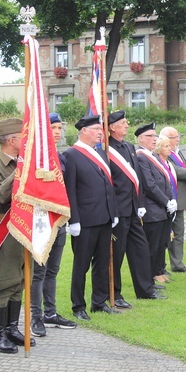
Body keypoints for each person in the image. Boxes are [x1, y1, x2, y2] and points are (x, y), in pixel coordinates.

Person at [0, 118, 37, 353]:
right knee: (5, 283)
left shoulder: (25, 162)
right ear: (12, 140)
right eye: (22, 138)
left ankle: (12, 327)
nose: (25, 142)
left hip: (25, 228)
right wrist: (19, 171)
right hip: (7, 231)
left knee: (21, 280)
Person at [62, 114, 119, 320]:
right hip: (85, 221)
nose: (100, 133)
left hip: (104, 217)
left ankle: (99, 301)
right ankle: (78, 305)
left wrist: (113, 212)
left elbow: (108, 186)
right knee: (81, 265)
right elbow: (70, 190)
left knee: (102, 262)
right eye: (96, 129)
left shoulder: (101, 154)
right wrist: (73, 219)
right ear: (84, 131)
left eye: (100, 130)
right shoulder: (72, 154)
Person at [108, 112, 164, 305]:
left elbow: (136, 179)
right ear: (112, 127)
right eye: (123, 123)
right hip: (118, 210)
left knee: (140, 248)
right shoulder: (106, 149)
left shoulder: (129, 147)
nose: (126, 125)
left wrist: (140, 204)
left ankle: (145, 290)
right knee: (116, 254)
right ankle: (114, 294)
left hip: (132, 209)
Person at [30, 112, 77, 336]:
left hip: (58, 220)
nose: (57, 132)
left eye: (59, 128)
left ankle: (50, 312)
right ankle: (35, 315)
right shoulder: (34, 157)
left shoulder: (61, 157)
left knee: (53, 270)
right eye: (53, 127)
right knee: (38, 271)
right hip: (40, 220)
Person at [135, 125, 176, 285]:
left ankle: (159, 270)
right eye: (150, 136)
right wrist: (166, 201)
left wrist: (170, 200)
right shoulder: (141, 156)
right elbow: (150, 185)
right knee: (153, 244)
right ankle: (152, 273)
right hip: (152, 207)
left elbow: (166, 180)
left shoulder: (152, 156)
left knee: (161, 242)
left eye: (155, 135)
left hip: (162, 208)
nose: (154, 139)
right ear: (141, 138)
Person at [161, 126, 186, 272]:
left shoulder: (178, 153)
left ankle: (177, 264)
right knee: (167, 234)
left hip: (180, 199)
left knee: (179, 234)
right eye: (175, 137)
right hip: (170, 199)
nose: (178, 140)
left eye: (178, 137)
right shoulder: (163, 153)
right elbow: (175, 171)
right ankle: (162, 266)